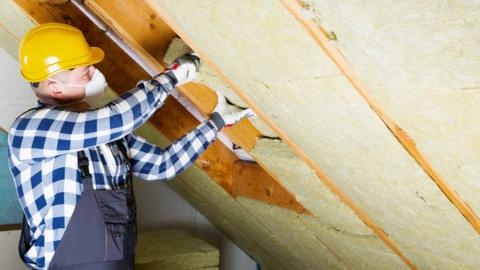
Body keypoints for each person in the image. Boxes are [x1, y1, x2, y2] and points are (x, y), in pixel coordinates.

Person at [7, 23, 254, 270]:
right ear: (56, 88)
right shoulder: (30, 129)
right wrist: (173, 76)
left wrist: (216, 123)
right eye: (85, 70)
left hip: (120, 261)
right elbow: (118, 118)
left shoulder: (103, 129)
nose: (94, 72)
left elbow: (160, 165)